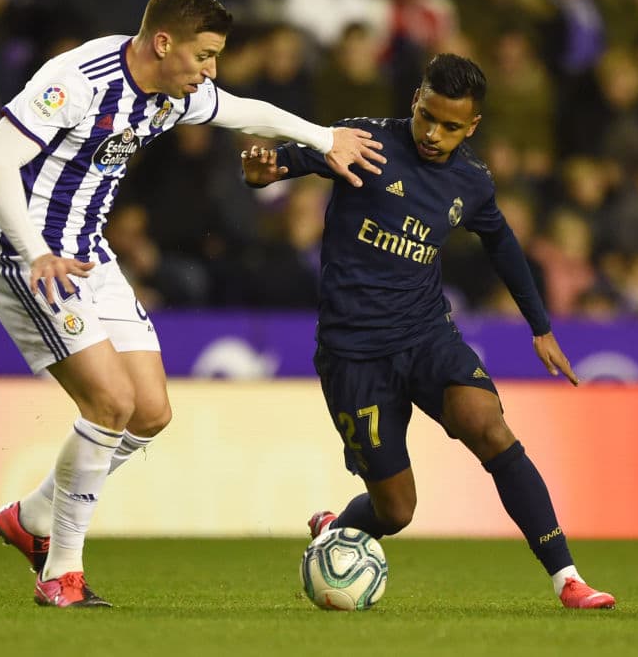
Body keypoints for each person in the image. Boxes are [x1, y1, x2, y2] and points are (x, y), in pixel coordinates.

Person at [0, 0, 385, 608]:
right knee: (109, 403)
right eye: (204, 56)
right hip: (27, 253)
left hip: (90, 255)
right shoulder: (78, 80)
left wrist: (324, 137)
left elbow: (247, 109)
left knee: (150, 413)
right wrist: (36, 253)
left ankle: (30, 516)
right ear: (163, 42)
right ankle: (61, 571)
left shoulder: (176, 89)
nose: (211, 71)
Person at [241, 53, 615, 609]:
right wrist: (262, 171)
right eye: (426, 117)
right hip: (353, 354)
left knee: (487, 426)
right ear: (415, 100)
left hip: (426, 336)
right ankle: (336, 527)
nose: (433, 135)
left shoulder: (472, 182)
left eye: (450, 126)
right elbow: (281, 165)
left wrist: (541, 328)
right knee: (396, 510)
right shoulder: (365, 142)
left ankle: (568, 579)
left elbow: (504, 246)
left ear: (473, 127)